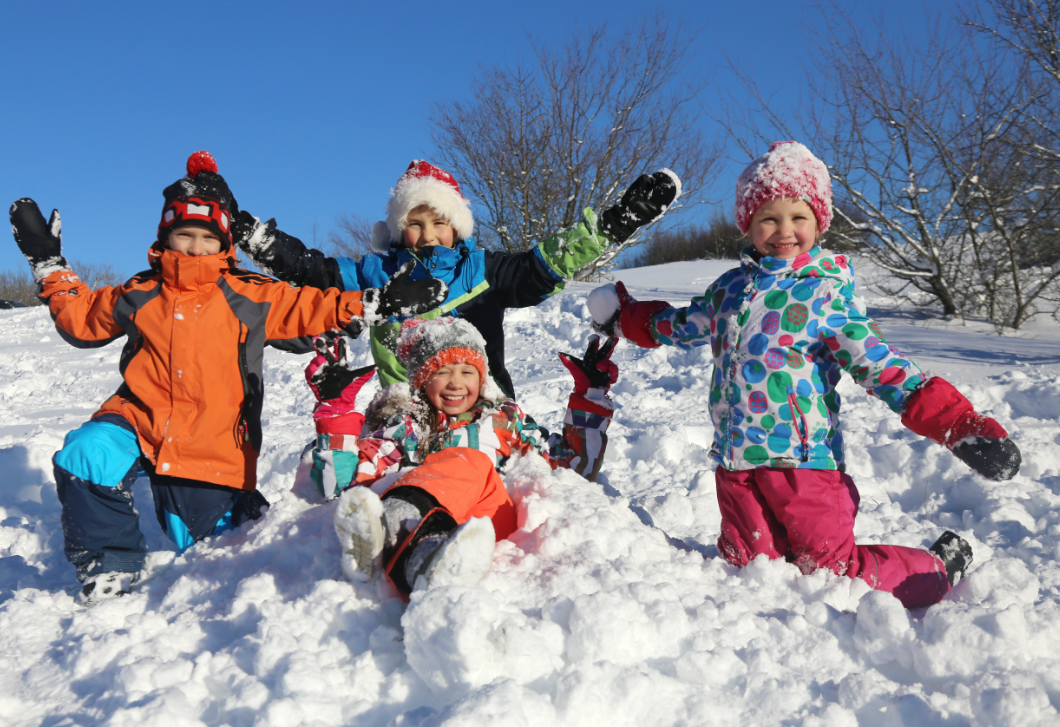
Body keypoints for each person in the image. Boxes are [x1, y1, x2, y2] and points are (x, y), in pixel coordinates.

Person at [589, 141, 1022, 609]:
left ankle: (934, 571)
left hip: (804, 462)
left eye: (799, 217)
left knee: (831, 569)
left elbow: (883, 367)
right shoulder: (727, 292)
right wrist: (625, 317)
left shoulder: (825, 295)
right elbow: (674, 325)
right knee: (746, 564)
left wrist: (956, 424)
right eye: (768, 218)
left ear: (819, 221)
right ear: (748, 224)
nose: (784, 231)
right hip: (737, 463)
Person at [8, 151, 447, 605]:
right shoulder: (140, 291)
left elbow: (312, 306)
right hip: (138, 419)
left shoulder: (247, 293)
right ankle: (110, 563)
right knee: (85, 454)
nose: (195, 248)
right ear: (165, 237)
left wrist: (378, 303)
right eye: (184, 235)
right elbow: (81, 319)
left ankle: (245, 509)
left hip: (211, 444)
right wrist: (47, 263)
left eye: (206, 237)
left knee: (215, 552)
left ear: (224, 245)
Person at [233, 159, 678, 398]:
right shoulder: (375, 273)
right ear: (398, 229)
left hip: (484, 409)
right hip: (405, 417)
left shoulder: (481, 270)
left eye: (438, 222)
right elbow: (318, 272)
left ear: (457, 226)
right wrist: (265, 245)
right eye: (415, 223)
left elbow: (541, 266)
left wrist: (612, 226)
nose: (427, 235)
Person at [304, 316, 618, 595]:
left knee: (470, 461)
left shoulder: (504, 420)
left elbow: (576, 468)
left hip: (489, 524)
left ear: (481, 378)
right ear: (423, 379)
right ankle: (423, 564)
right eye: (442, 371)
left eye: (467, 371)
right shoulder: (407, 426)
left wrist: (588, 396)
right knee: (414, 482)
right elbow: (341, 485)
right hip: (435, 536)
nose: (456, 383)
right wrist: (336, 410)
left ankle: (389, 533)